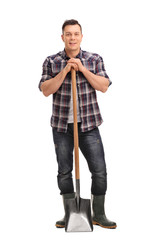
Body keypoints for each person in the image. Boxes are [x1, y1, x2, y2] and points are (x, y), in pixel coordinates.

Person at [39, 19, 117, 229]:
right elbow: (45, 90)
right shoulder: (52, 61)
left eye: (76, 34)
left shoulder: (94, 59)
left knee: (99, 170)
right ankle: (69, 213)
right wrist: (64, 71)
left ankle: (98, 214)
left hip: (89, 125)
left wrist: (82, 69)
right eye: (68, 34)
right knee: (64, 172)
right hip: (62, 127)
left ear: (81, 36)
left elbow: (104, 86)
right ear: (62, 37)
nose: (72, 37)